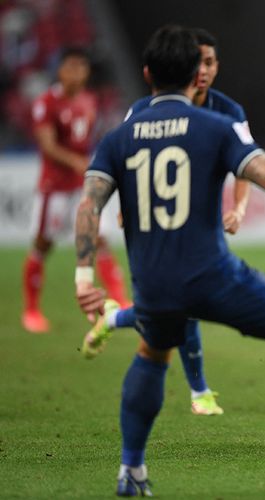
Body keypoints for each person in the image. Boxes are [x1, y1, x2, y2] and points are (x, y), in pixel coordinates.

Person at [73, 25, 265, 498]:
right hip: (213, 277)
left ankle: (131, 472)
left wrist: (84, 276)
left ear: (147, 74)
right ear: (196, 75)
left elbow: (89, 206)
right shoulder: (214, 126)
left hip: (152, 283)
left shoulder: (118, 136)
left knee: (151, 354)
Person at [81, 28, 252, 418]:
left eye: (210, 62)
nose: (204, 70)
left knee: (174, 307)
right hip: (153, 226)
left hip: (201, 224)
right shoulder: (143, 110)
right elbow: (126, 158)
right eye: (198, 63)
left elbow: (246, 168)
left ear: (216, 66)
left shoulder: (230, 112)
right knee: (178, 307)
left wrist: (239, 209)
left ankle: (115, 318)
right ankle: (200, 391)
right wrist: (128, 205)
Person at [22, 47, 128, 333]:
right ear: (60, 70)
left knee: (100, 239)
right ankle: (31, 310)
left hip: (82, 186)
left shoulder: (89, 100)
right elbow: (47, 144)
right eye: (71, 66)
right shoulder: (46, 102)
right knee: (44, 244)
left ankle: (120, 299)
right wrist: (76, 162)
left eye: (82, 67)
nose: (77, 72)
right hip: (53, 188)